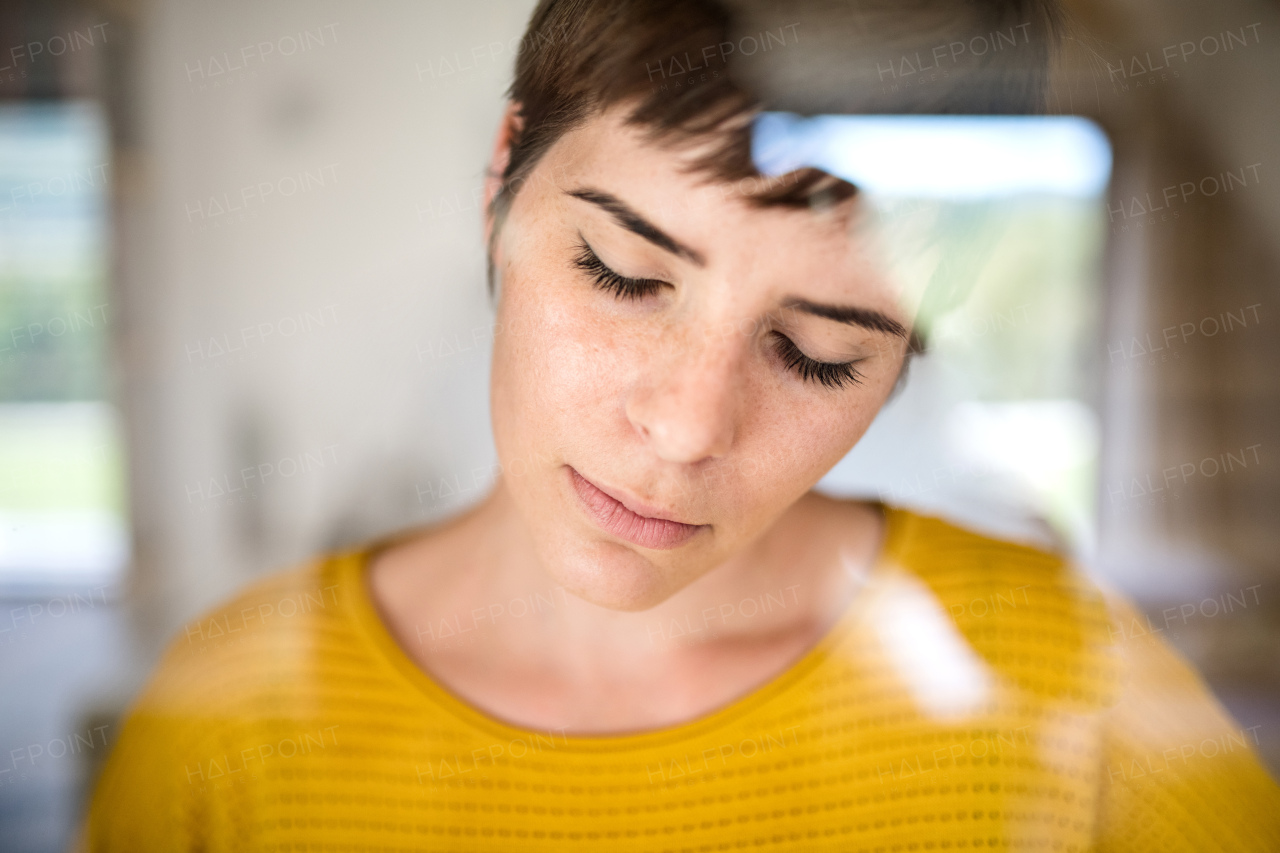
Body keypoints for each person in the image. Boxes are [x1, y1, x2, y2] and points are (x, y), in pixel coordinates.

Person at [84, 0, 1279, 849]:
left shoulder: (1074, 686)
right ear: (503, 175)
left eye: (818, 353)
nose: (685, 427)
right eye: (617, 273)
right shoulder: (230, 720)